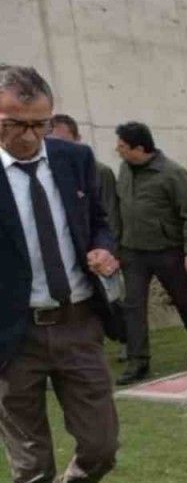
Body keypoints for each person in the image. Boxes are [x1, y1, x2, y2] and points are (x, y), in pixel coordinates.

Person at [0, 65, 121, 483]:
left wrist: (104, 248)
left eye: (40, 124)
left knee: (101, 447)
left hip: (76, 323)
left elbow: (99, 221)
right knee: (30, 464)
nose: (30, 136)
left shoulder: (75, 159)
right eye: (14, 124)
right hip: (13, 338)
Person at [113, 121, 187, 384]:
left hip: (168, 251)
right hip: (133, 252)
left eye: (122, 146)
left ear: (139, 149)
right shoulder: (124, 170)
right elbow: (119, 209)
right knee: (133, 307)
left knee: (186, 302)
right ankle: (137, 362)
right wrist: (116, 247)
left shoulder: (173, 174)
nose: (118, 150)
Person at [48, 114, 127, 351]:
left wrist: (109, 248)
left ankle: (126, 342)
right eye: (51, 139)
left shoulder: (96, 169)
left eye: (62, 140)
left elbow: (107, 214)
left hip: (100, 255)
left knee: (114, 301)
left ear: (77, 138)